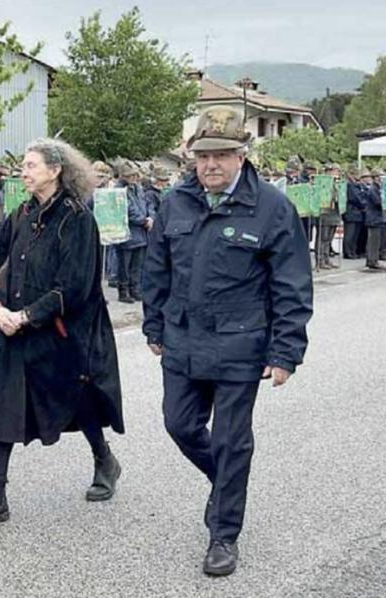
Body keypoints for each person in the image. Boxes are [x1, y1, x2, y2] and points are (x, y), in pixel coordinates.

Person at [142, 106, 313, 576]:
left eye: (221, 155)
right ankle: (226, 485)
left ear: (242, 156)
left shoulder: (272, 208)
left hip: (242, 345)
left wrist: (285, 352)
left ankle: (223, 534)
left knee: (231, 442)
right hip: (182, 339)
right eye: (203, 156)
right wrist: (153, 324)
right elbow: (156, 269)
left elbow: (292, 285)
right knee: (179, 425)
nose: (211, 164)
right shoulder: (175, 201)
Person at [0, 138, 125, 532]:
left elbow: (75, 285)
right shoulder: (19, 214)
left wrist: (28, 316)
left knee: (78, 400)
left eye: (32, 165)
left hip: (62, 331)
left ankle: (104, 458)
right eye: (24, 165)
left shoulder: (77, 219)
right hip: (12, 328)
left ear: (56, 171)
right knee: (2, 406)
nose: (24, 171)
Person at [114, 160, 151, 303]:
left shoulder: (138, 188)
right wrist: (144, 220)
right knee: (124, 265)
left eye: (135, 175)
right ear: (123, 175)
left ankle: (135, 289)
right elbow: (127, 209)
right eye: (130, 175)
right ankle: (123, 291)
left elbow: (146, 204)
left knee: (137, 265)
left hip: (141, 232)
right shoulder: (119, 190)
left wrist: (150, 217)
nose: (134, 178)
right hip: (126, 233)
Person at [318, 164, 342, 269]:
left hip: (335, 213)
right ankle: (320, 259)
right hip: (325, 213)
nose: (337, 173)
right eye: (335, 171)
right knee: (323, 238)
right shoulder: (322, 183)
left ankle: (326, 258)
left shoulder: (338, 183)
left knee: (329, 239)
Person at [343, 168, 367, 259]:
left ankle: (353, 251)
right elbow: (355, 198)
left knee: (355, 234)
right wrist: (364, 204)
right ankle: (348, 252)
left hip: (357, 212)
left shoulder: (357, 185)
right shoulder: (350, 185)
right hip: (351, 212)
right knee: (350, 234)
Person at [365, 168, 386, 270]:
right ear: (375, 178)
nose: (381, 179)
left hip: (377, 218)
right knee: (373, 241)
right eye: (379, 177)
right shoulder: (373, 189)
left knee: (376, 240)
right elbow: (377, 202)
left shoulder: (378, 188)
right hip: (373, 218)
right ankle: (372, 260)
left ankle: (374, 259)